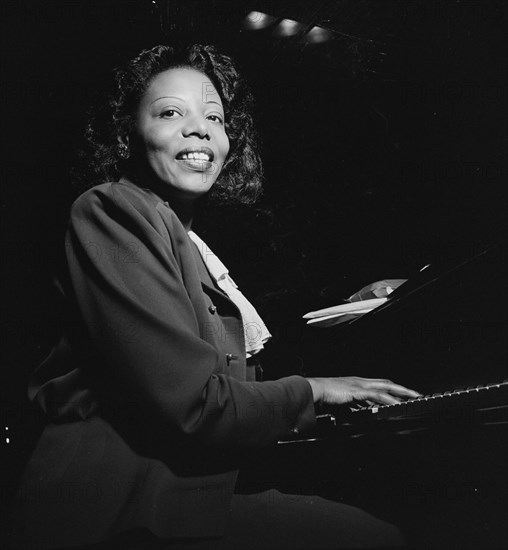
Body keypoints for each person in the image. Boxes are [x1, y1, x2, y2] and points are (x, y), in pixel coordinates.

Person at [7, 44, 420, 550]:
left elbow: (235, 382)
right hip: (119, 512)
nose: (200, 128)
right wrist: (314, 389)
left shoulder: (189, 244)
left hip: (180, 500)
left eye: (215, 117)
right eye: (170, 112)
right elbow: (196, 404)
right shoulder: (111, 209)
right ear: (128, 134)